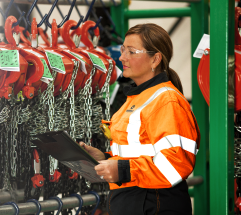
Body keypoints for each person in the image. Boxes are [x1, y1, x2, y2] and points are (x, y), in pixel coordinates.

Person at [80, 23, 200, 215]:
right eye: (122, 50)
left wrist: (123, 169)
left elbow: (175, 164)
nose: (122, 57)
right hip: (135, 201)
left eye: (131, 52)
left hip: (155, 203)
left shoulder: (166, 101)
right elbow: (139, 151)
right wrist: (105, 158)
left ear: (155, 59)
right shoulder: (136, 98)